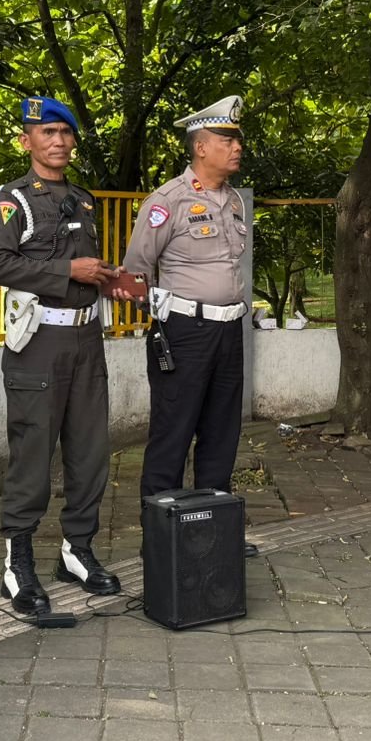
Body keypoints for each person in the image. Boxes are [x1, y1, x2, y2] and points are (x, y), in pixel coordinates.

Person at [0, 96, 123, 614]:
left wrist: (106, 278)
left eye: (66, 133)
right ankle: (17, 565)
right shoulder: (11, 199)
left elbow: (81, 265)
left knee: (90, 453)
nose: (59, 141)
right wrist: (69, 273)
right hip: (38, 343)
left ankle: (77, 551)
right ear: (27, 140)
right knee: (33, 457)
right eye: (47, 133)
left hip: (87, 341)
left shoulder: (84, 200)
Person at [121, 96, 255, 555]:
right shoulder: (168, 201)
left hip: (229, 331)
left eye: (236, 139)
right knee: (172, 435)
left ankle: (210, 536)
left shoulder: (234, 200)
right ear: (201, 147)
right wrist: (161, 322)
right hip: (184, 332)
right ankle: (160, 541)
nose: (237, 147)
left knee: (222, 433)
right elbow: (136, 272)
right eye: (227, 139)